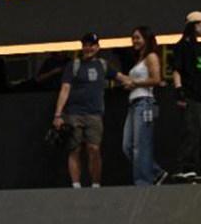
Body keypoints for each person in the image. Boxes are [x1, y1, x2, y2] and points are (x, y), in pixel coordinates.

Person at [52, 33, 112, 188]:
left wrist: (142, 82)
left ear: (97, 47)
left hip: (94, 114)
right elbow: (65, 89)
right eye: (85, 45)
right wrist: (58, 114)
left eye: (91, 45)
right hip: (74, 114)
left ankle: (95, 185)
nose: (88, 48)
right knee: (74, 149)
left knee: (94, 149)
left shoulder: (103, 65)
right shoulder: (73, 65)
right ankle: (76, 185)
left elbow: (121, 77)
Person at [117, 26, 163, 186]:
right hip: (134, 105)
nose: (134, 41)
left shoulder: (151, 56)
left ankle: (143, 183)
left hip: (144, 103)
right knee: (127, 146)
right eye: (133, 38)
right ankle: (156, 173)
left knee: (140, 145)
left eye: (138, 37)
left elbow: (156, 79)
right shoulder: (140, 59)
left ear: (146, 39)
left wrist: (134, 84)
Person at [172, 11, 201, 181]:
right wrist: (179, 91)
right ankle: (186, 167)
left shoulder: (199, 46)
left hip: (199, 94)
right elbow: (177, 69)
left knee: (197, 132)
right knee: (191, 131)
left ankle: (194, 167)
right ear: (193, 25)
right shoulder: (182, 45)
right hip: (190, 94)